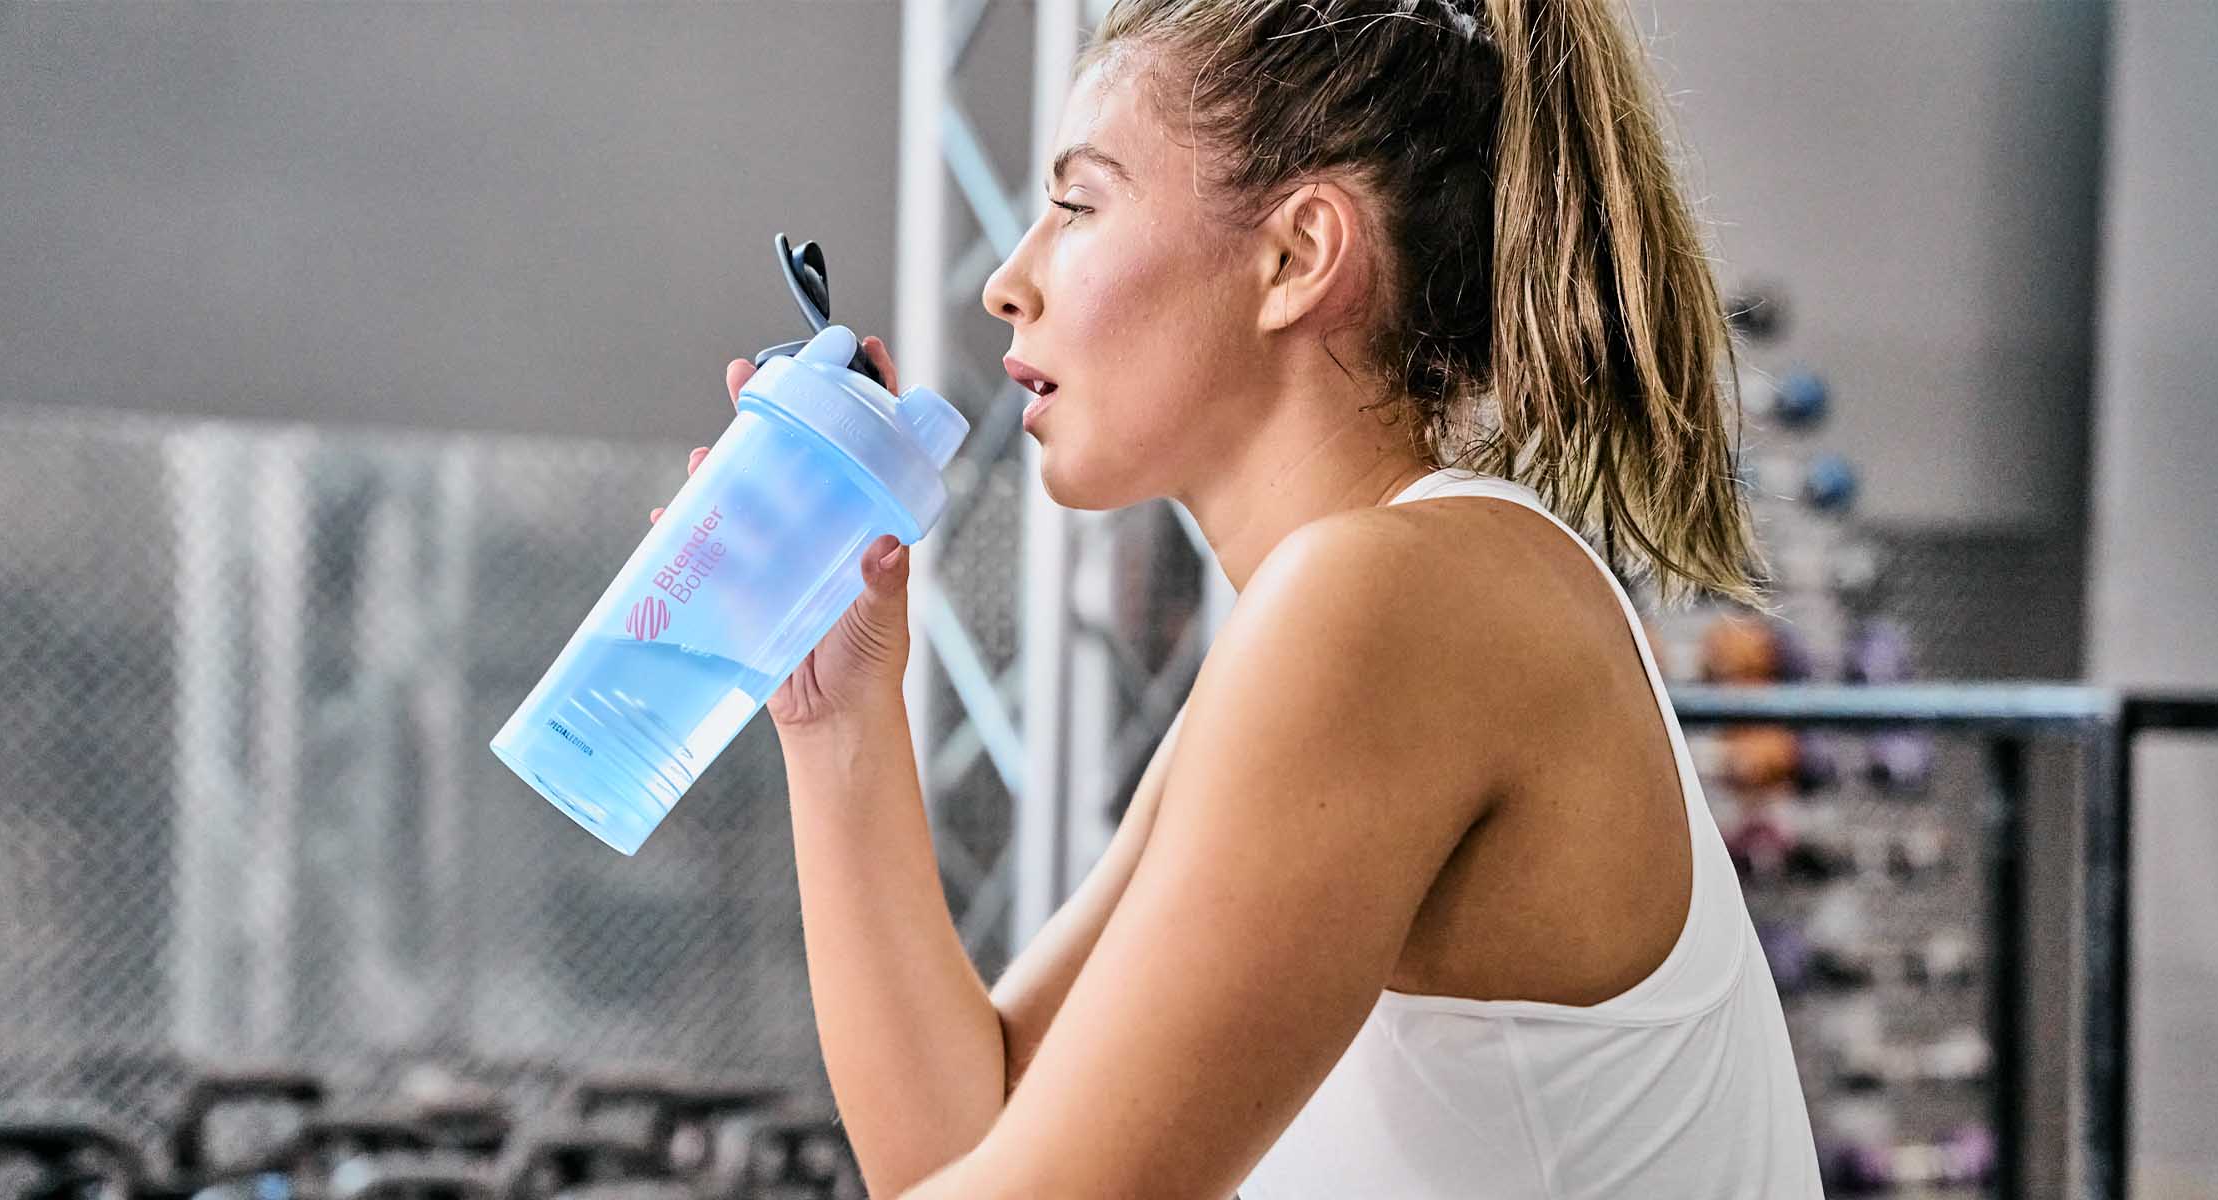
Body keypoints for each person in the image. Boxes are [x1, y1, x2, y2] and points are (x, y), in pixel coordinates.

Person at [659, 0, 1824, 1194]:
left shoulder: (1394, 601)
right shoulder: (1356, 600)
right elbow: (970, 1139)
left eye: (1076, 206)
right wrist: (832, 710)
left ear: (1296, 257)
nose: (1010, 282)